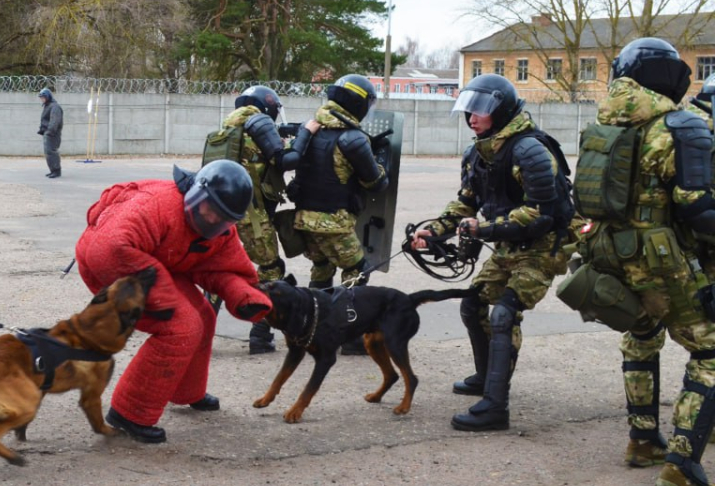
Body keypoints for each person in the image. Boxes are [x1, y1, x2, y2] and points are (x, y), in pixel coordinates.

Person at [564, 38, 715, 486]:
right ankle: (684, 463)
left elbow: (584, 197)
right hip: (664, 258)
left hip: (612, 253)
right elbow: (698, 209)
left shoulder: (604, 126)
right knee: (708, 350)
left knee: (642, 337)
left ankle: (644, 439)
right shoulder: (680, 126)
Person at [408, 73, 574, 432]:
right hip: (508, 245)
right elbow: (466, 203)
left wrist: (484, 229)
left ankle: (496, 407)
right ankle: (485, 378)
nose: (472, 116)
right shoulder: (478, 152)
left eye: (480, 109)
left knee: (504, 313)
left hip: (544, 247)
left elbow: (541, 214)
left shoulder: (530, 149)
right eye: (469, 109)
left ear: (501, 110)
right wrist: (433, 231)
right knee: (473, 302)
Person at [74, 159, 273, 443]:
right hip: (110, 265)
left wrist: (245, 296)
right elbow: (107, 250)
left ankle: (187, 390)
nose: (214, 220)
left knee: (203, 314)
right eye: (211, 210)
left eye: (223, 218)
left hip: (158, 263)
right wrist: (162, 296)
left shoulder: (219, 228)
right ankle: (130, 413)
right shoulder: (155, 205)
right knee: (182, 326)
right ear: (196, 193)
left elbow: (223, 267)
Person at [279, 75, 389, 355]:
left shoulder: (311, 129)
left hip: (304, 218)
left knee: (323, 270)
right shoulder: (352, 138)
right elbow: (375, 183)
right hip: (332, 221)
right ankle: (350, 337)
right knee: (358, 269)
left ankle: (315, 329)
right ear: (357, 104)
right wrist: (381, 163)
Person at [217, 84, 289, 354]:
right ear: (267, 104)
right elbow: (281, 160)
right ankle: (260, 334)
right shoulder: (258, 122)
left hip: (224, 213)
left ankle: (200, 330)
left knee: (219, 273)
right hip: (252, 216)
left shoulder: (231, 127)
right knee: (270, 270)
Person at [38, 87, 64, 178]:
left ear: (48, 96)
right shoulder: (48, 106)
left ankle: (57, 171)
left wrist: (50, 131)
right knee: (48, 153)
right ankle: (52, 170)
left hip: (53, 134)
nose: (42, 99)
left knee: (52, 152)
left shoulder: (54, 107)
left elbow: (55, 121)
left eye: (43, 97)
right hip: (48, 133)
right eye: (41, 98)